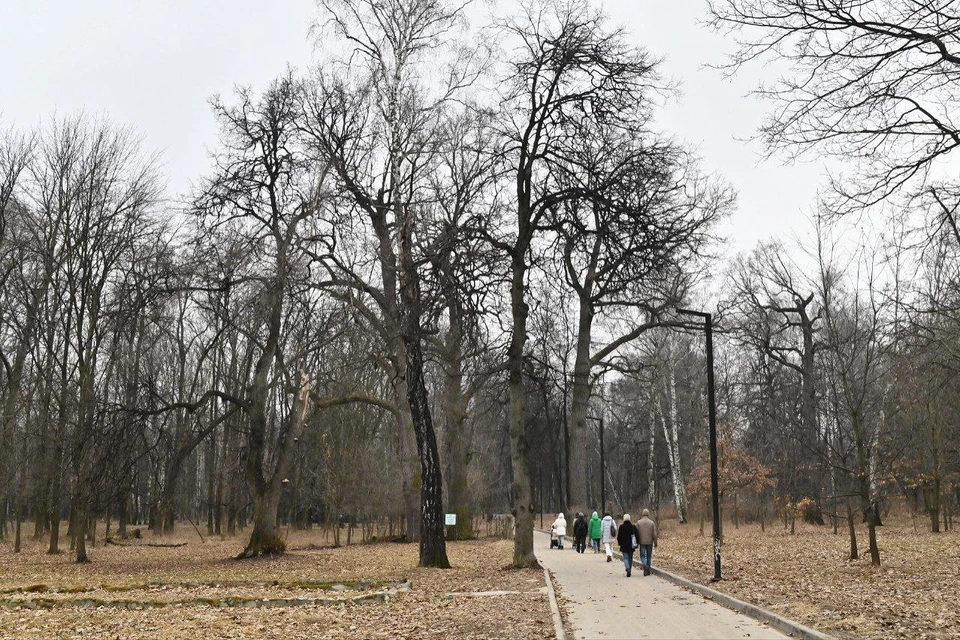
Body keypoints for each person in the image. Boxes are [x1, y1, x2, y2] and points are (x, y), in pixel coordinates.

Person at [636, 508, 658, 576]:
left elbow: (636, 533)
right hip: (649, 542)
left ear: (642, 514)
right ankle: (648, 569)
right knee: (649, 556)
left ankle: (645, 566)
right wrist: (655, 542)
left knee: (642, 555)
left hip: (642, 542)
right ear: (648, 514)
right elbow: (654, 534)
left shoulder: (638, 522)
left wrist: (637, 542)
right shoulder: (651, 523)